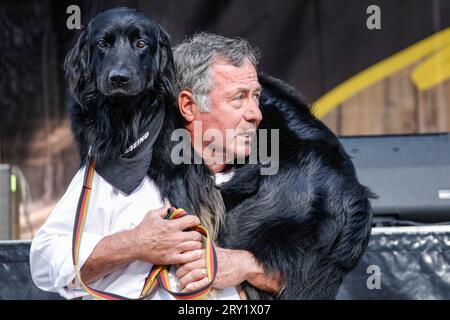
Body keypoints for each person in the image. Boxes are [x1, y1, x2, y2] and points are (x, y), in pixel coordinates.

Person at [30, 32, 284, 300]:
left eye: (255, 96)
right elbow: (43, 263)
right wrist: (133, 245)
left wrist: (248, 266)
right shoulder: (121, 171)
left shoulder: (275, 179)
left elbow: (320, 273)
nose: (255, 113)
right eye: (239, 98)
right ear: (188, 105)